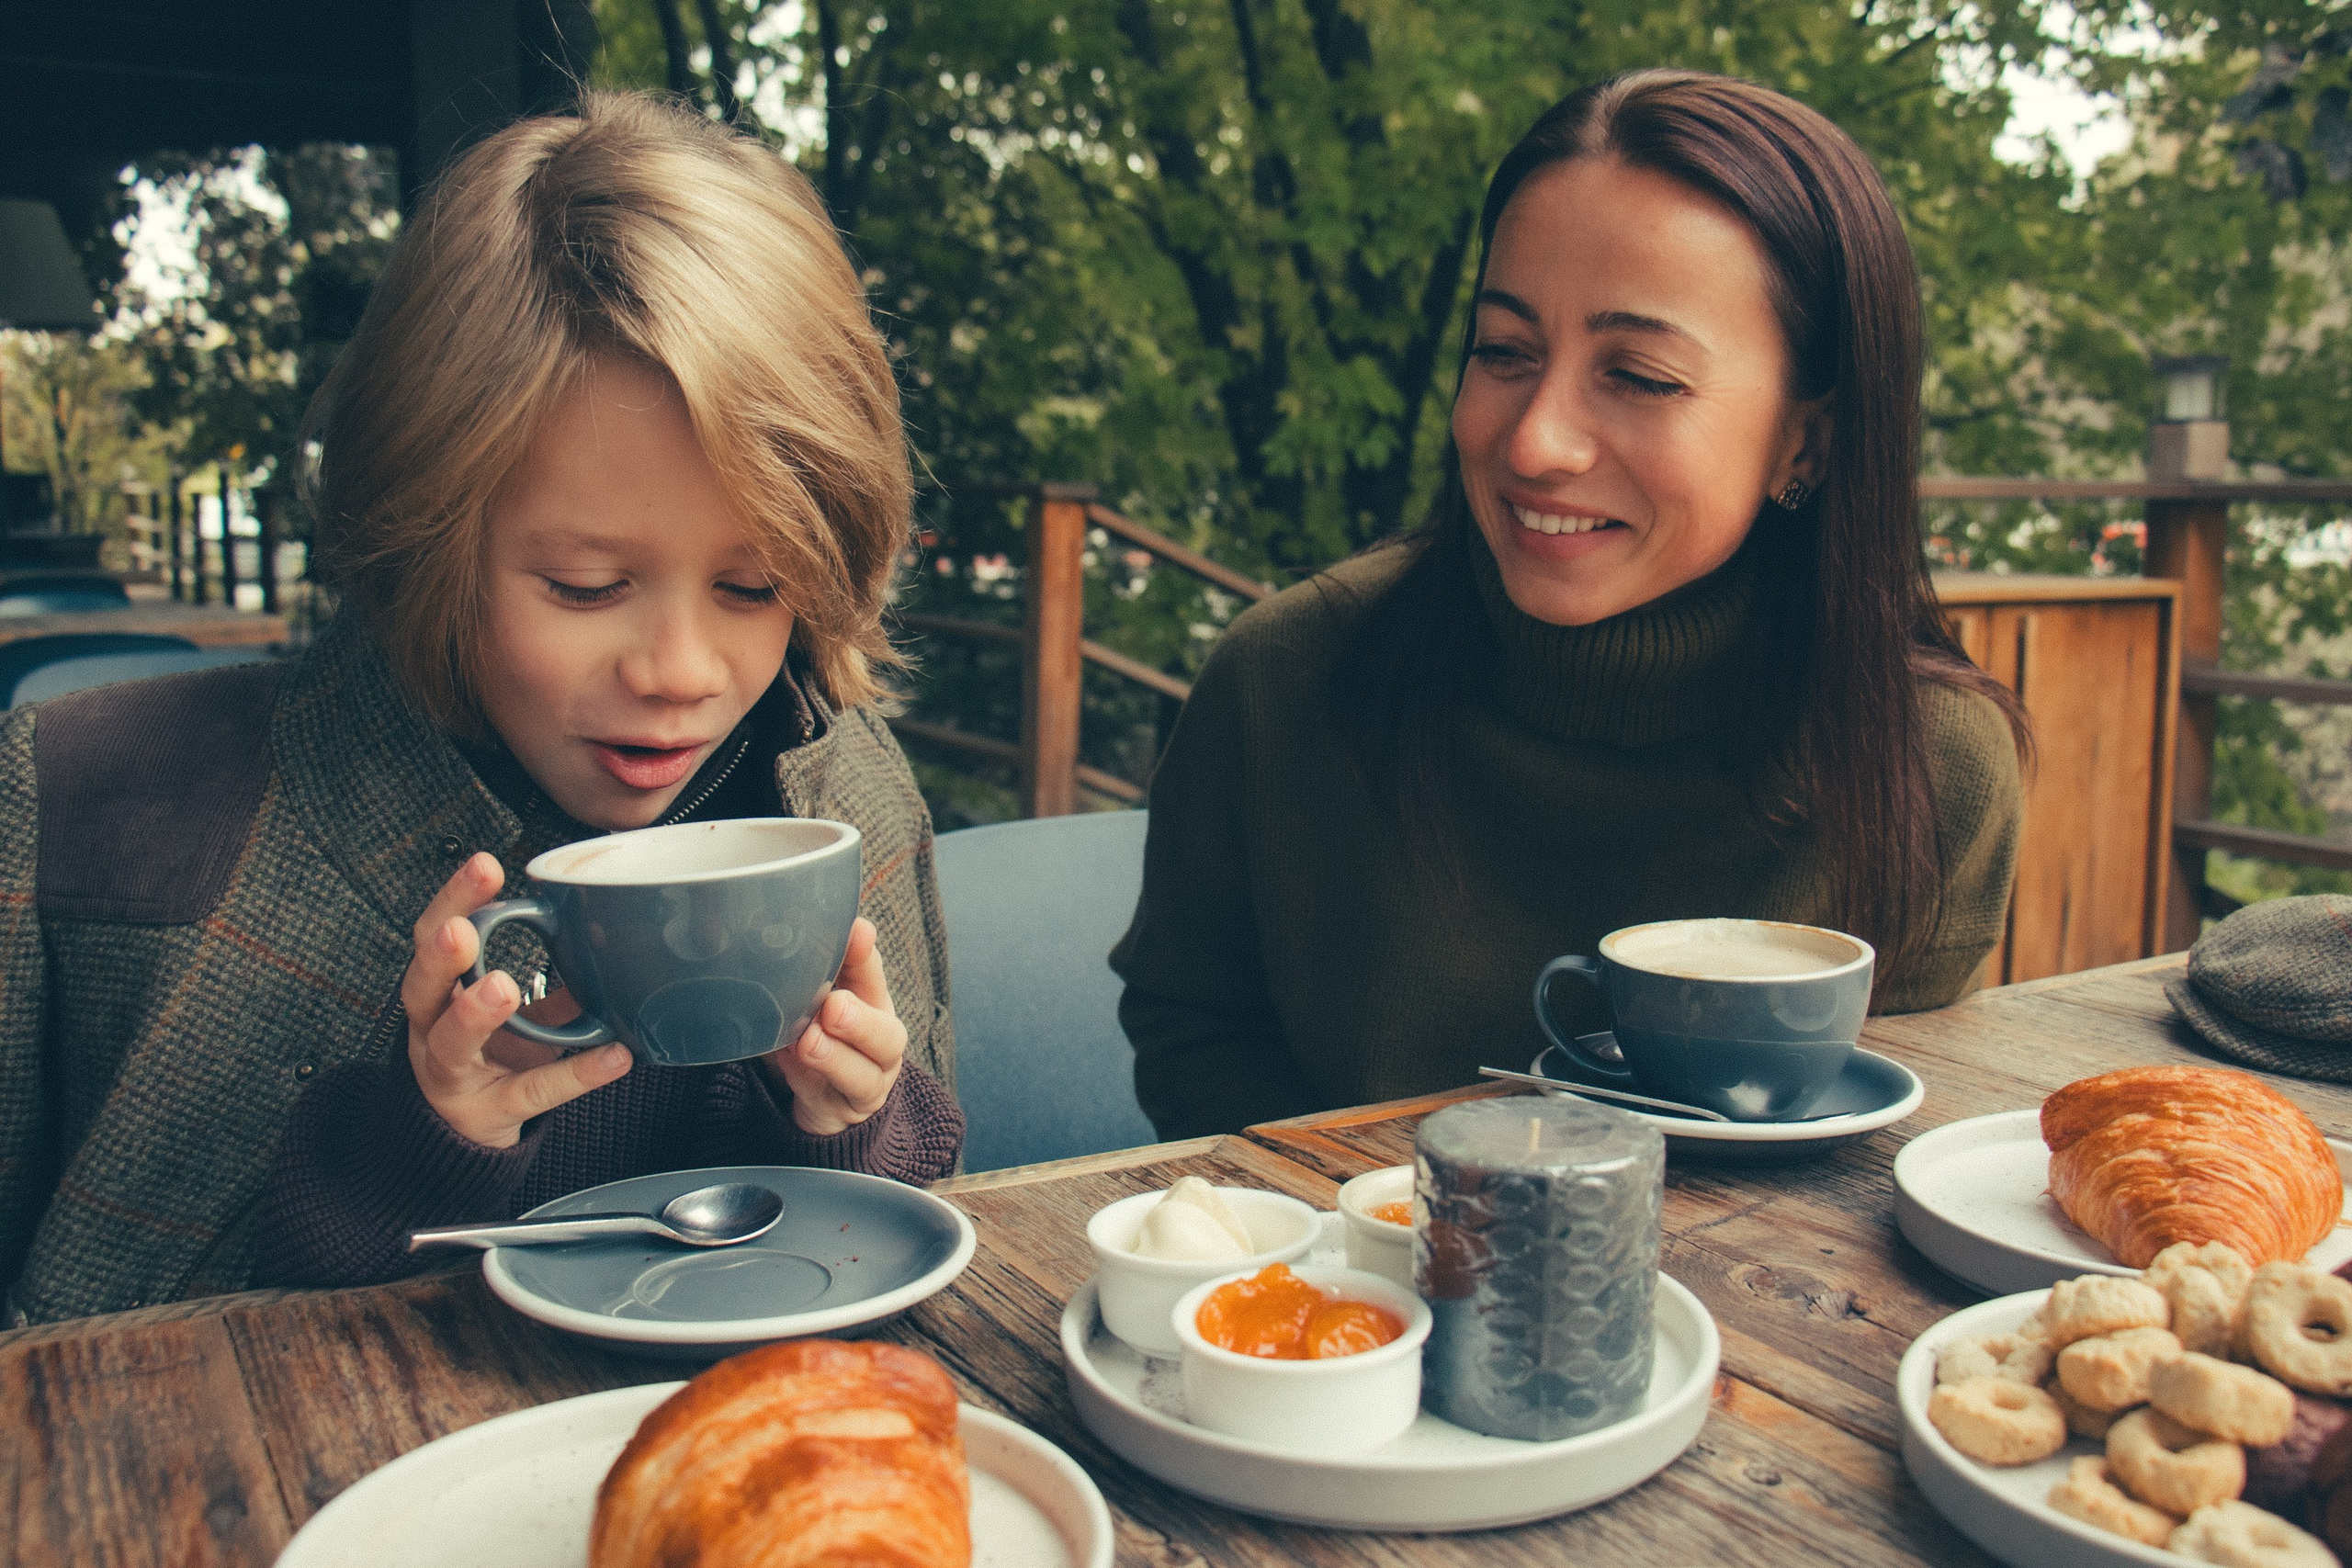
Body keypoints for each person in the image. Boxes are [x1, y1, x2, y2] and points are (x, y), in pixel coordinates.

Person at [0, 93, 961, 1326]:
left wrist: (851, 1120)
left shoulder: (850, 790)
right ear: (427, 526)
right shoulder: (90, 806)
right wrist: (424, 1133)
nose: (680, 668)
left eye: (753, 584)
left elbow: (935, 1210)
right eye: (586, 584)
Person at [1112, 69, 2029, 1140]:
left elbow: (1870, 1151)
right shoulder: (1286, 678)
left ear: (1808, 440)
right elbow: (1192, 1035)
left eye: (1637, 373)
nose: (1536, 440)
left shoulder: (1932, 763)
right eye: (1503, 353)